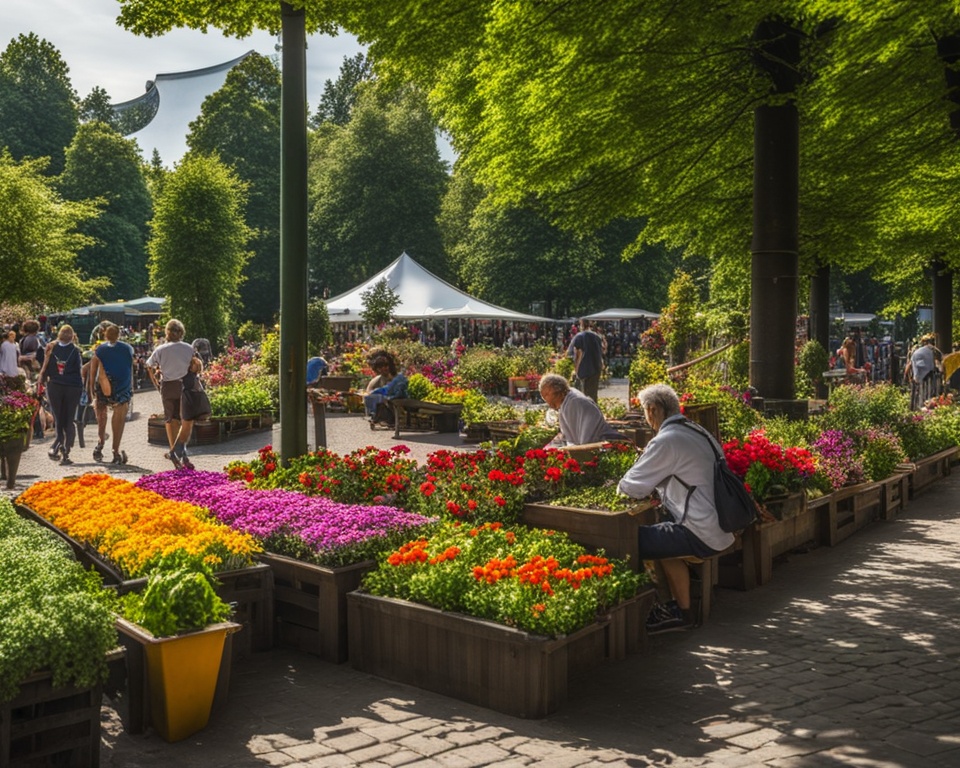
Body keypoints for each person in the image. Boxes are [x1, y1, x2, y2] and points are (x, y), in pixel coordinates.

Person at [617, 383, 735, 633]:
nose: (646, 419)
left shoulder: (667, 440)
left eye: (645, 413)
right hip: (721, 525)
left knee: (628, 539)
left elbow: (629, 487)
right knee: (661, 539)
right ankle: (681, 612)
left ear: (653, 410)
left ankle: (651, 608)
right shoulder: (697, 430)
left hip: (698, 531)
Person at [146, 319, 203, 469]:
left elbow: (149, 366)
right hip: (185, 385)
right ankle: (181, 453)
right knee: (186, 420)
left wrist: (156, 383)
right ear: (181, 333)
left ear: (167, 333)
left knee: (171, 420)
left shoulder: (160, 349)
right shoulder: (189, 348)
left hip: (168, 387)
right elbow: (197, 366)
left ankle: (174, 453)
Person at [37, 325, 84, 465]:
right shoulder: (75, 351)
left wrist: (41, 380)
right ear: (72, 336)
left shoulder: (51, 348)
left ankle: (58, 444)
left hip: (55, 386)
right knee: (69, 419)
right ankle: (66, 450)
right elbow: (79, 370)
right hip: (73, 387)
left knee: (58, 417)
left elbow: (45, 367)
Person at [90, 323, 135, 465]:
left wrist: (91, 387)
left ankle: (101, 442)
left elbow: (93, 369)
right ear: (119, 335)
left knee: (101, 415)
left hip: (104, 386)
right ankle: (115, 451)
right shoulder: (128, 348)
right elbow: (130, 366)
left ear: (105, 335)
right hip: (122, 387)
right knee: (118, 420)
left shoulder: (100, 349)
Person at [538, 373, 624, 447]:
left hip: (601, 442)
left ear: (557, 390)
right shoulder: (568, 397)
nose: (545, 400)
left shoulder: (572, 402)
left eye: (546, 395)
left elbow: (578, 440)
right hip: (597, 441)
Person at [364, 351, 408, 424]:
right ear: (377, 369)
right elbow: (368, 392)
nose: (384, 368)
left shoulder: (395, 377)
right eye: (381, 367)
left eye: (386, 366)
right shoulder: (376, 380)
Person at [571, 319, 606, 402]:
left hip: (585, 369)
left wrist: (576, 369)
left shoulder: (579, 337)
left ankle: (586, 414)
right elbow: (602, 352)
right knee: (593, 395)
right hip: (596, 368)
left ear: (581, 325)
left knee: (584, 396)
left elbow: (578, 354)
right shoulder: (596, 336)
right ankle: (594, 413)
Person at [905, 333, 941, 410]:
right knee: (928, 396)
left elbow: (911, 365)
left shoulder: (917, 351)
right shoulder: (932, 351)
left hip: (919, 378)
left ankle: (915, 411)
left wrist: (909, 376)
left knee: (918, 396)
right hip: (929, 377)